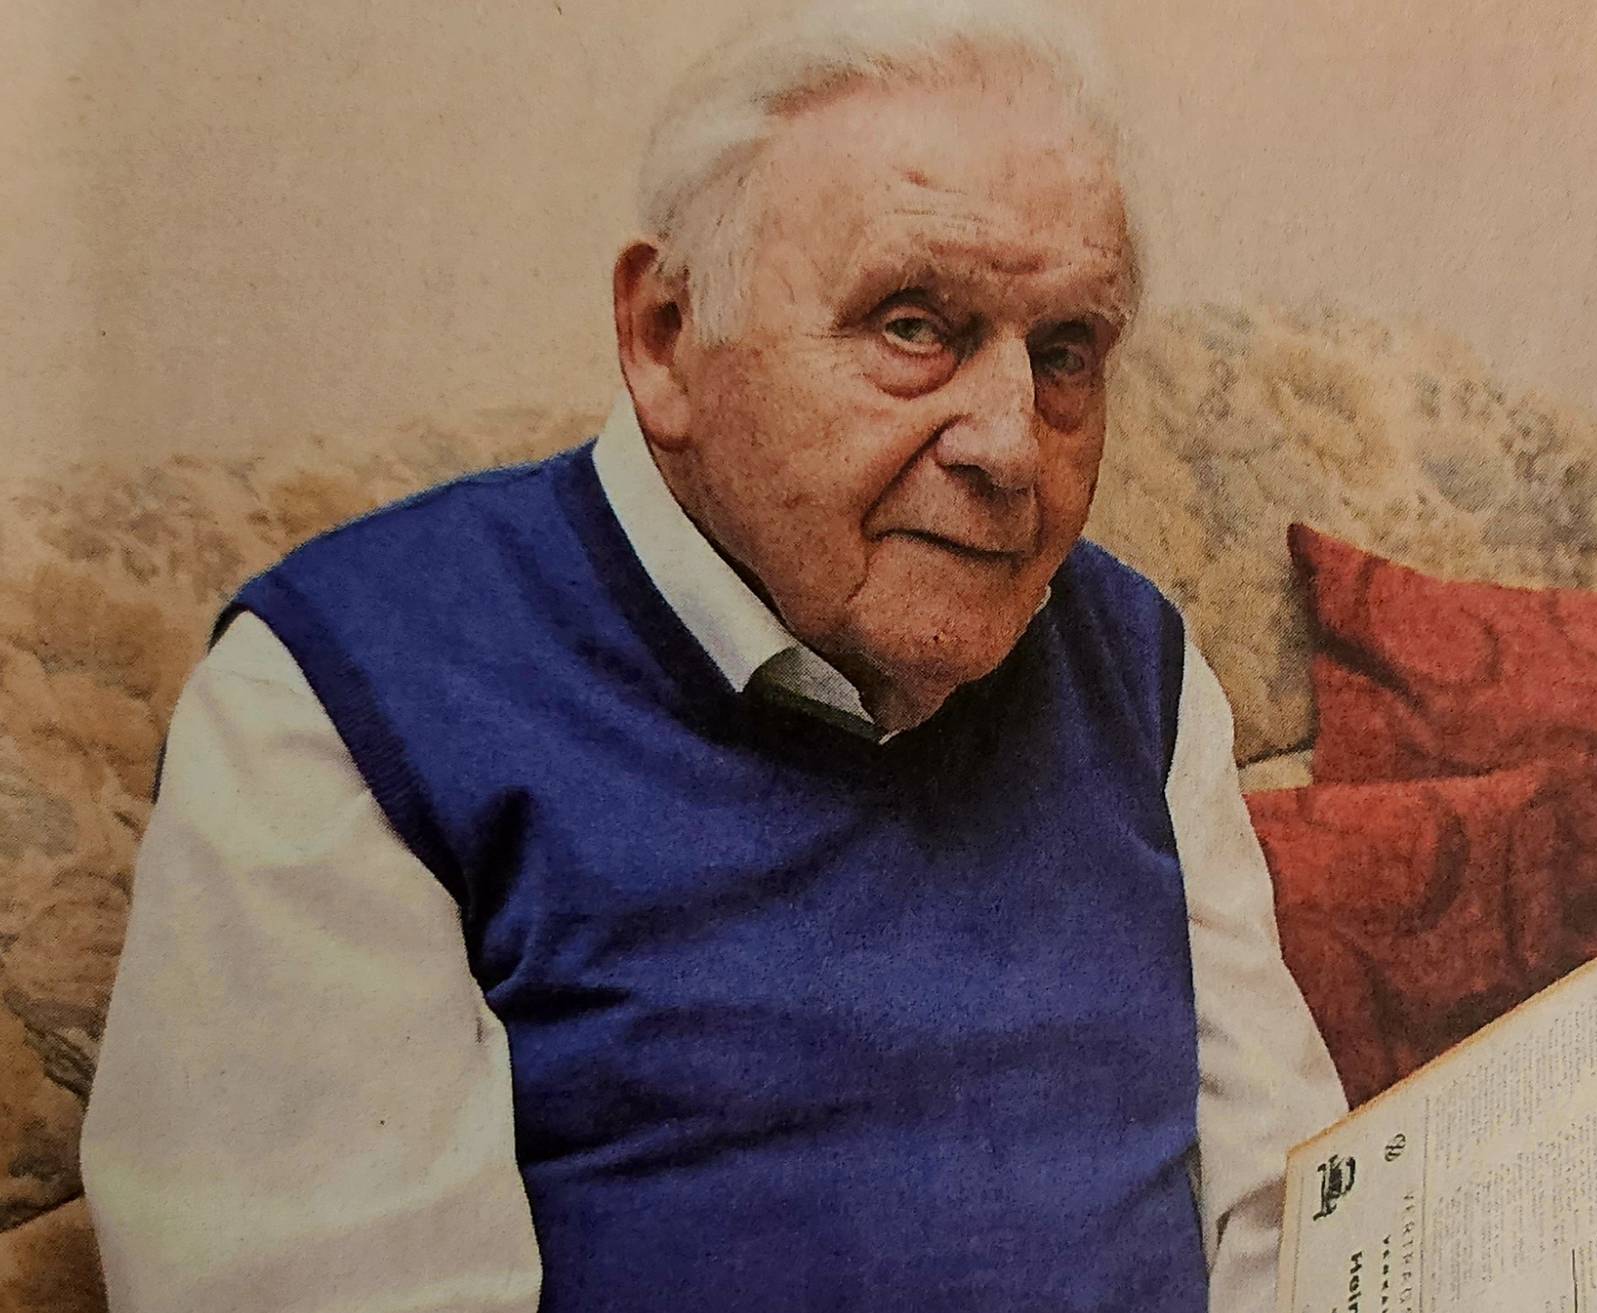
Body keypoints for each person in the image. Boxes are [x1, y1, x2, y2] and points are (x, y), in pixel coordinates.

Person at [80, 2, 1345, 1309]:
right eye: (915, 326)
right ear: (667, 337)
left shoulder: (1133, 660)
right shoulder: (347, 700)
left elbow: (1291, 1220)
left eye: (1066, 351)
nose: (1011, 446)